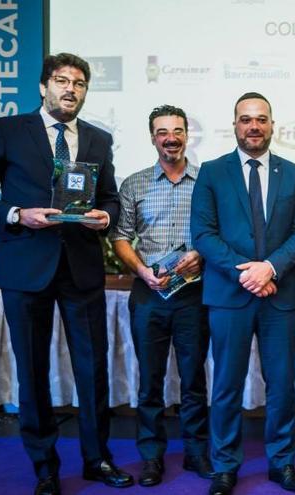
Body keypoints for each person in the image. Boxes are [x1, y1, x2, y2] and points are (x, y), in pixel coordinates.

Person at [0, 52, 132, 494]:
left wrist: (104, 218)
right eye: (61, 80)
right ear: (43, 87)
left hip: (81, 269)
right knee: (32, 372)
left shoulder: (98, 138)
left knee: (93, 371)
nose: (70, 89)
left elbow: (110, 197)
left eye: (79, 83)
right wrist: (18, 214)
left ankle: (98, 460)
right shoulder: (8, 131)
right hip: (25, 267)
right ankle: (45, 468)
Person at [191, 92, 295, 495]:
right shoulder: (211, 171)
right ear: (235, 125)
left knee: (282, 385)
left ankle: (281, 463)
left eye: (261, 119)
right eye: (246, 119)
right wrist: (247, 272)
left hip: (280, 296)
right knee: (226, 385)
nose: (253, 126)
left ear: (273, 125)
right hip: (230, 294)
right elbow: (203, 234)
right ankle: (225, 465)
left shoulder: (292, 173)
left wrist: (270, 267)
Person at [111, 105, 212, 487]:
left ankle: (196, 453)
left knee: (193, 380)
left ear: (187, 135)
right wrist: (141, 270)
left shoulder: (207, 182)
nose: (170, 137)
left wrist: (201, 254)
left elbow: (218, 231)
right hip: (149, 294)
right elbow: (120, 236)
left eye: (177, 130)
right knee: (149, 382)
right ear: (152, 137)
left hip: (193, 294)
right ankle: (151, 456)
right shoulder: (134, 184)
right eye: (162, 131)